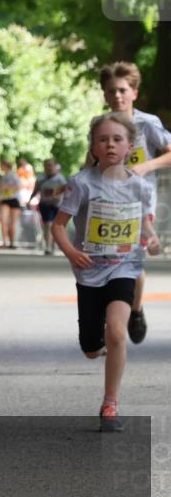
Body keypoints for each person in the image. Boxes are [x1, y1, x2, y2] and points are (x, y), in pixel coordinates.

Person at [52, 112, 160, 432]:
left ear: (129, 148)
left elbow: (146, 226)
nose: (110, 145)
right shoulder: (81, 183)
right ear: (94, 147)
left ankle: (110, 402)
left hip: (124, 268)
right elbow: (58, 227)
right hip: (90, 273)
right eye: (103, 139)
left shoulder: (139, 187)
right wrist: (72, 252)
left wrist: (151, 240)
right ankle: (94, 345)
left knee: (116, 332)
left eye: (117, 139)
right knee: (90, 346)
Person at [97, 61, 171, 344]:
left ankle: (135, 309)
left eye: (123, 90)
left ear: (134, 93)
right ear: (105, 95)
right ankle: (114, 314)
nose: (117, 96)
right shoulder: (101, 125)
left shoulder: (147, 123)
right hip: (106, 202)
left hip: (140, 204)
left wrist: (145, 167)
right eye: (112, 91)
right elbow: (91, 161)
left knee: (131, 259)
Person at [30, 158, 66, 255]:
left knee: (56, 226)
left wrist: (58, 197)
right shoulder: (41, 178)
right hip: (45, 205)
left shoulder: (60, 178)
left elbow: (65, 190)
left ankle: (54, 244)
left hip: (58, 206)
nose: (49, 167)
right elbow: (36, 190)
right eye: (47, 165)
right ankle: (48, 246)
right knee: (48, 225)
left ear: (55, 166)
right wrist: (30, 199)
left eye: (51, 165)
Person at [0, 159, 21, 248]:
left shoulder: (14, 176)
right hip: (5, 199)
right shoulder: (3, 177)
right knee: (3, 221)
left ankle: (12, 242)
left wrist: (7, 187)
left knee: (12, 223)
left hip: (14, 199)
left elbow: (18, 186)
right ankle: (5, 242)